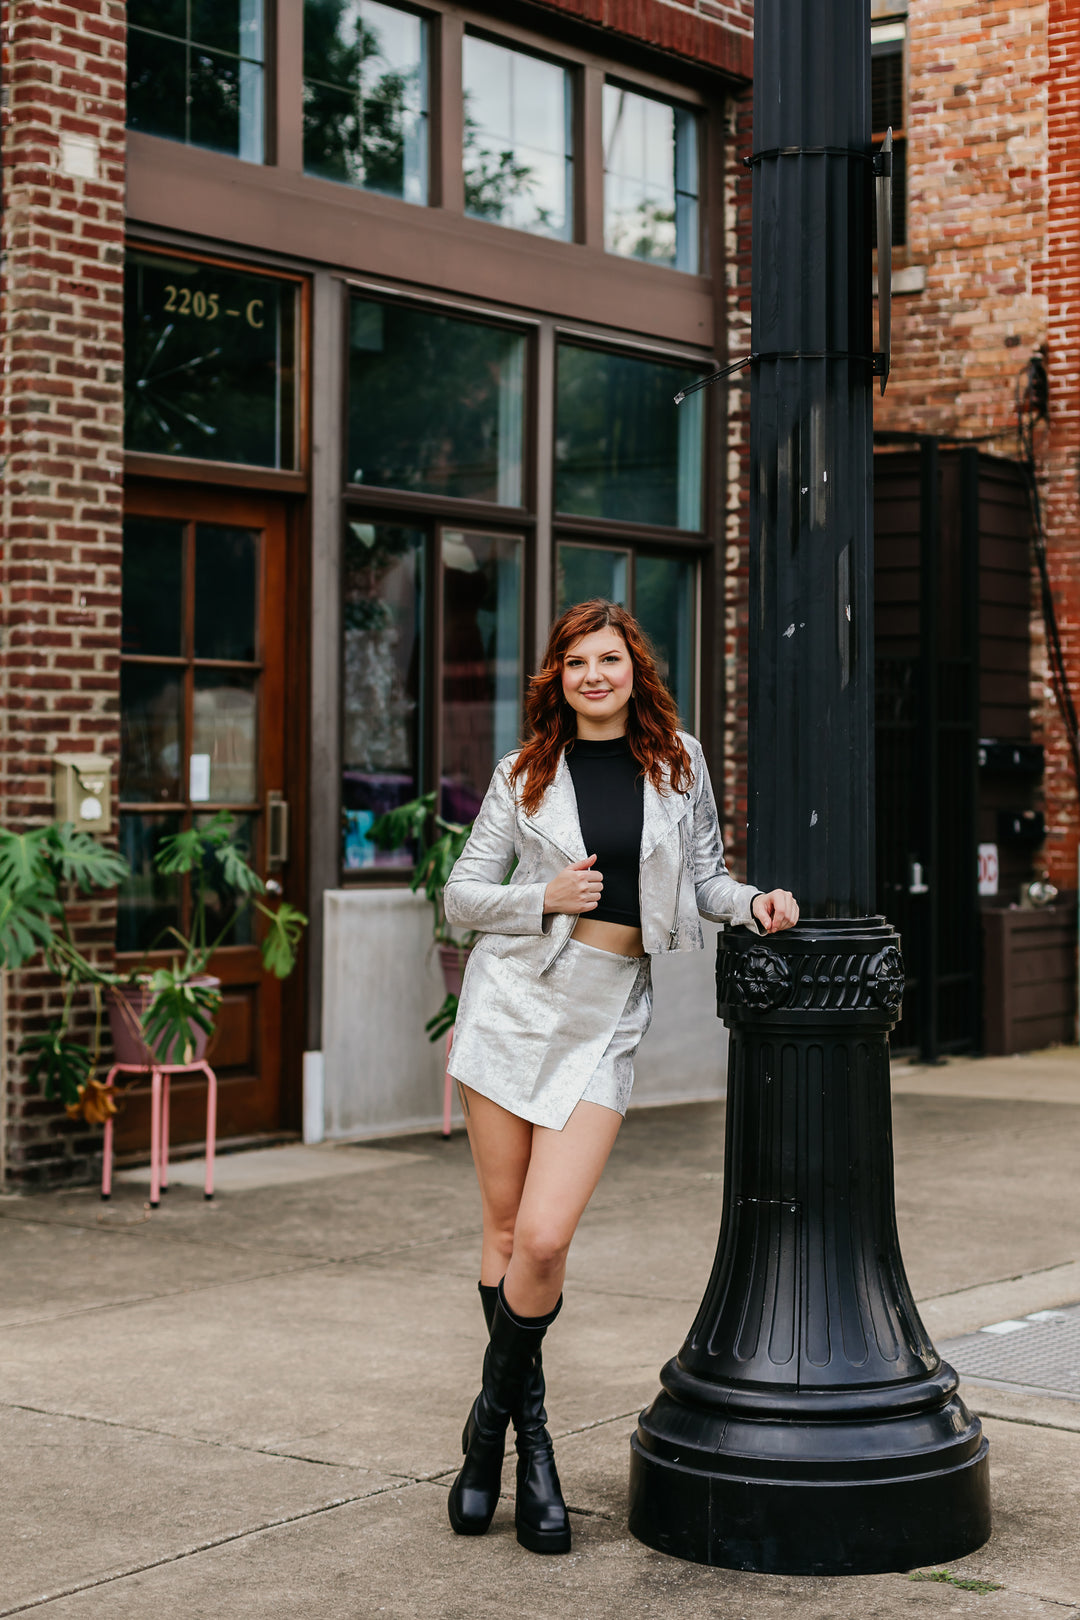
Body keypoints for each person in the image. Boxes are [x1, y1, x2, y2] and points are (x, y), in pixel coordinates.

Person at [441, 599, 799, 1555]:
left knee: (547, 1238)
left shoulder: (677, 763)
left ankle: (488, 1429)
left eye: (609, 659)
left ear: (634, 668)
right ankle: (531, 1452)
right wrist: (541, 897)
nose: (593, 675)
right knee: (507, 1228)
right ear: (557, 678)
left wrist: (752, 900)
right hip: (513, 1007)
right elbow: (461, 895)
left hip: (607, 1016)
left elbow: (706, 879)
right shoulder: (524, 774)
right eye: (575, 663)